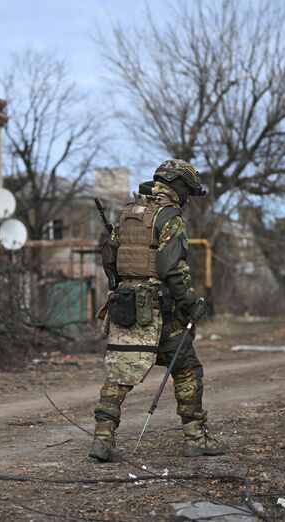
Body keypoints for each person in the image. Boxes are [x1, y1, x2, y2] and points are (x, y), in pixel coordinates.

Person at [89, 159, 228, 462]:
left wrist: (124, 285)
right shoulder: (170, 218)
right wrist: (192, 305)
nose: (188, 200)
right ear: (178, 187)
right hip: (159, 312)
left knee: (119, 373)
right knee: (187, 367)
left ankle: (102, 437)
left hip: (125, 308)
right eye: (188, 193)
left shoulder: (128, 214)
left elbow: (109, 260)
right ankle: (195, 438)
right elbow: (173, 271)